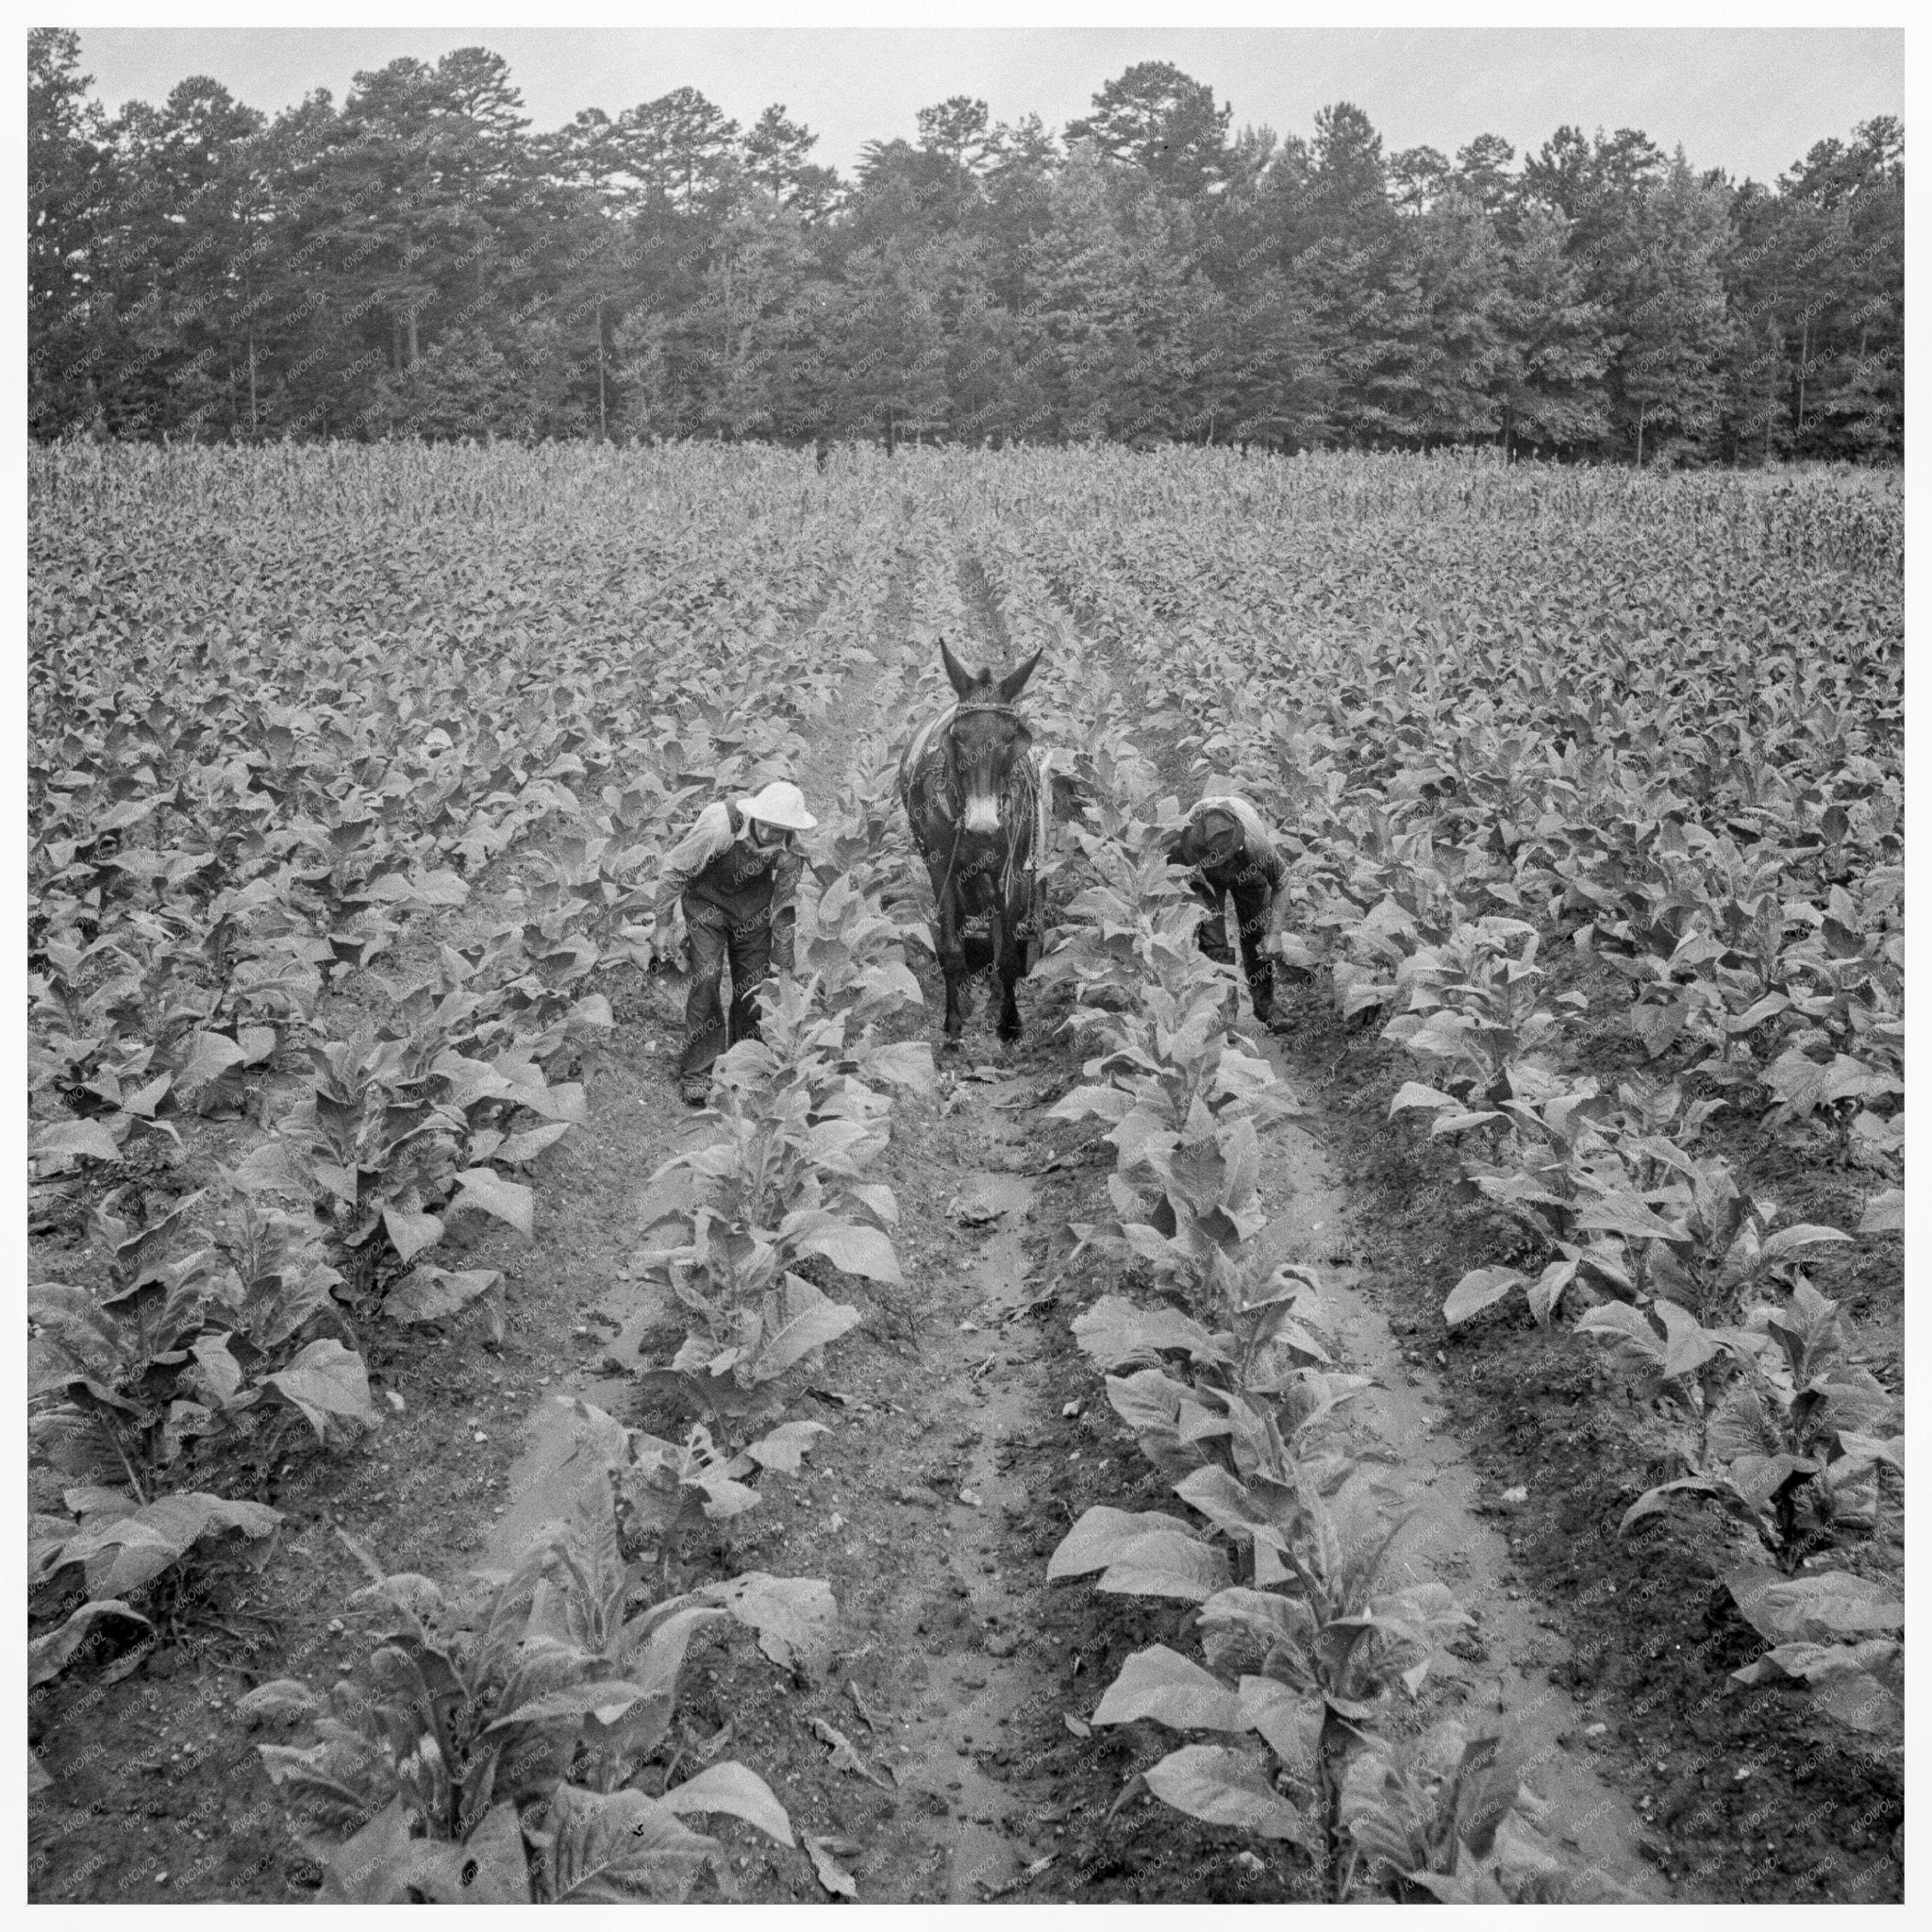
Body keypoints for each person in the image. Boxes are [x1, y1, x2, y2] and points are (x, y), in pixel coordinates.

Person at [655, 780, 816, 1106]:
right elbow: (673, 871)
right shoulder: (720, 827)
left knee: (753, 989)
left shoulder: (789, 853)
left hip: (752, 915)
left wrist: (784, 964)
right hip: (706, 909)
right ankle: (698, 1072)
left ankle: (742, 1067)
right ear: (756, 815)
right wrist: (662, 926)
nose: (771, 834)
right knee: (707, 978)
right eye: (767, 826)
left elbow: (784, 909)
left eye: (780, 829)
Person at [1167, 791, 1293, 1033]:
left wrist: (1275, 934)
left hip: (1249, 872)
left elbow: (1282, 880)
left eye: (1225, 857)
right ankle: (1225, 1016)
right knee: (1213, 942)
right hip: (1204, 878)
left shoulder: (1255, 844)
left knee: (1256, 933)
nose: (1222, 864)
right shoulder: (1184, 844)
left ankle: (1266, 1005)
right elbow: (1170, 878)